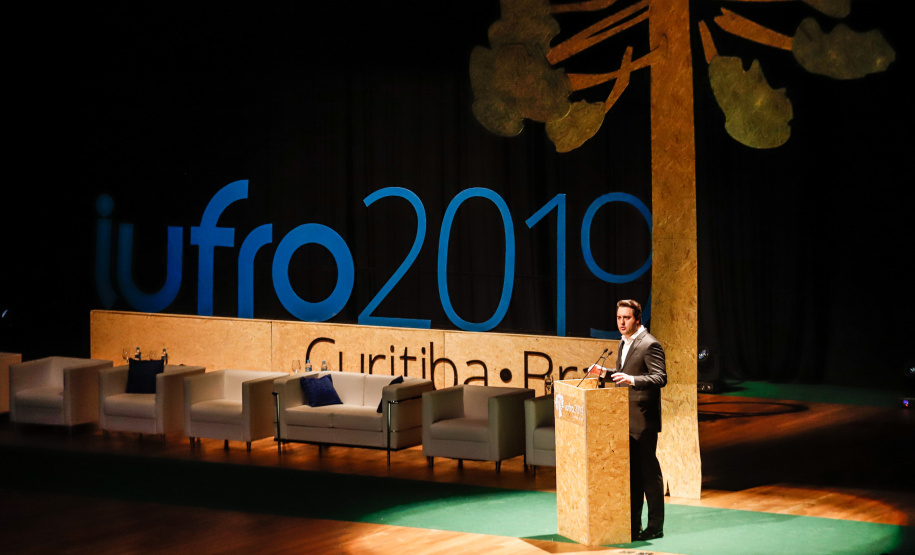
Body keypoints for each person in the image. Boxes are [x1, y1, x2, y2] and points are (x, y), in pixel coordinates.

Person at [589, 299, 667, 541]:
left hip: (643, 420)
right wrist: (605, 373)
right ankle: (632, 525)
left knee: (648, 475)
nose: (621, 322)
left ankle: (655, 526)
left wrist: (632, 380)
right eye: (619, 318)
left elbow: (659, 377)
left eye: (626, 318)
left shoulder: (650, 344)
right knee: (632, 476)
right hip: (625, 418)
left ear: (637, 319)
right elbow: (624, 375)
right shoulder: (624, 343)